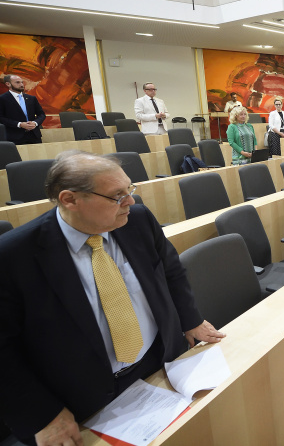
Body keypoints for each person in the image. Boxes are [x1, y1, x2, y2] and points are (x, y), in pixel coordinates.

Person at [0, 151, 224, 446]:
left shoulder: (139, 220)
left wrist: (190, 320)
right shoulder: (13, 256)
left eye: (130, 190)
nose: (130, 201)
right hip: (78, 398)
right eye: (117, 196)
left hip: (158, 363)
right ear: (70, 200)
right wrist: (43, 415)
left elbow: (171, 271)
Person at [0, 74, 46, 145]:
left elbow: (41, 114)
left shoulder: (31, 98)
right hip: (15, 137)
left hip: (34, 136)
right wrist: (20, 124)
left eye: (22, 82)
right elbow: (1, 118)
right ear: (8, 84)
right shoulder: (2, 99)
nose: (21, 85)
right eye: (17, 82)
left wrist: (35, 123)